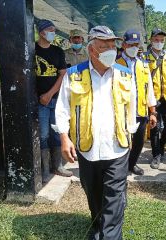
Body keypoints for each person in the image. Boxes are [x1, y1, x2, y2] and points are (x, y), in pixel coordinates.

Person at [55, 26, 138, 239]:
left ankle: (110, 235)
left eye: (113, 45)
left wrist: (130, 134)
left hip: (117, 147)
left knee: (114, 196)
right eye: (105, 46)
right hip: (87, 147)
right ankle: (98, 224)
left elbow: (132, 108)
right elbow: (63, 109)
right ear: (92, 50)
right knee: (93, 193)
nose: (111, 50)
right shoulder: (74, 75)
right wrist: (65, 138)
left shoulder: (126, 74)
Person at [35, 19, 72, 181]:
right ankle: (44, 169)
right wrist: (40, 96)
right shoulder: (32, 50)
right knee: (42, 134)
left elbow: (62, 74)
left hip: (55, 99)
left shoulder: (57, 51)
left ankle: (58, 166)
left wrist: (49, 94)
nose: (53, 33)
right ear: (41, 32)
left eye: (54, 30)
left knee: (57, 132)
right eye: (50, 30)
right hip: (38, 101)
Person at [116, 29, 157, 176]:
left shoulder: (144, 65)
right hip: (122, 111)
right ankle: (120, 166)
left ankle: (132, 164)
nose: (134, 47)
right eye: (130, 44)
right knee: (123, 141)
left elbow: (149, 90)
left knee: (139, 141)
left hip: (140, 111)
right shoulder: (115, 64)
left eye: (136, 44)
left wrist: (153, 112)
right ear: (124, 45)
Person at [144, 28, 166, 169]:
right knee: (154, 128)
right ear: (151, 40)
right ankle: (156, 155)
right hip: (153, 98)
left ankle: (160, 147)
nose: (159, 43)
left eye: (162, 40)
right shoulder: (145, 57)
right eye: (157, 40)